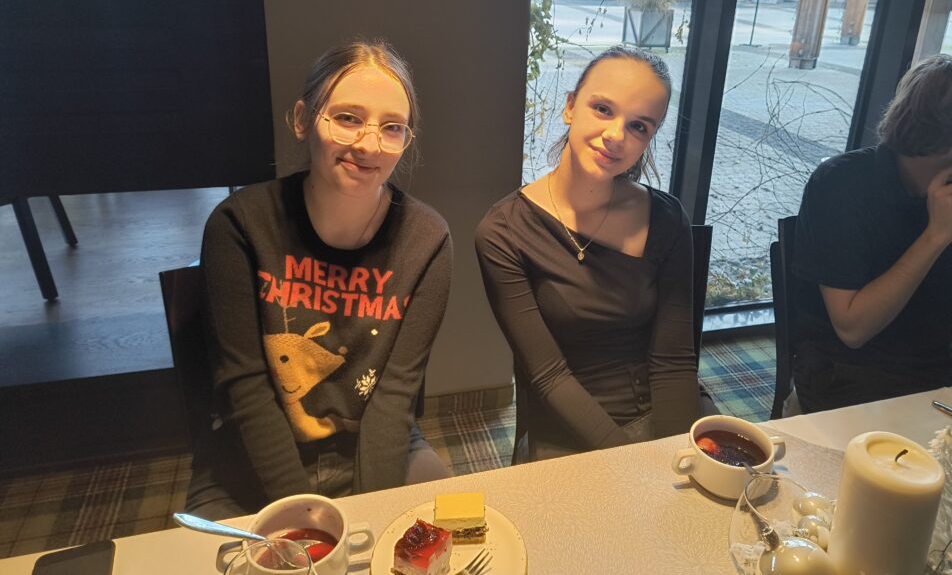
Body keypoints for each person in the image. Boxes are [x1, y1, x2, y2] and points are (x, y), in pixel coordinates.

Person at [187, 41, 453, 518]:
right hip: (251, 455)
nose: (369, 145)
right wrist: (309, 520)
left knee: (448, 536)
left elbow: (395, 393)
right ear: (302, 119)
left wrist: (371, 511)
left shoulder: (427, 239)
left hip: (372, 440)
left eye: (392, 127)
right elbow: (246, 390)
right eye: (348, 118)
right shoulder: (240, 225)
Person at [475, 45, 703, 461]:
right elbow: (548, 375)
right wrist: (630, 463)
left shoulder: (668, 218)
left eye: (638, 126)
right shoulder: (504, 232)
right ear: (570, 107)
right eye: (602, 109)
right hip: (569, 430)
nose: (616, 135)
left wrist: (676, 455)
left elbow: (673, 360)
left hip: (661, 419)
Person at [792, 48, 952, 413]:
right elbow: (853, 328)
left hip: (943, 379)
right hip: (847, 384)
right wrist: (935, 236)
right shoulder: (842, 183)